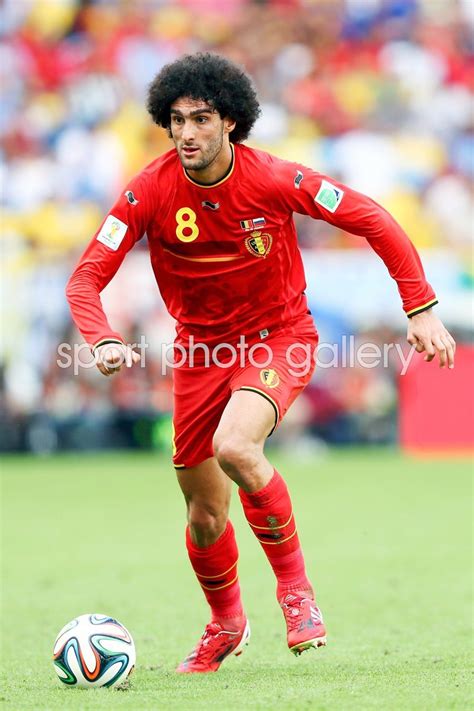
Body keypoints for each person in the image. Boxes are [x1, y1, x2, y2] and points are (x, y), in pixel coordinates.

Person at [66, 53, 456, 673]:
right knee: (203, 513)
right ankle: (226, 624)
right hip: (199, 351)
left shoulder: (274, 178)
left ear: (230, 123)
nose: (188, 133)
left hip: (280, 335)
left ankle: (296, 594)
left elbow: (373, 218)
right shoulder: (147, 191)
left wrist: (421, 308)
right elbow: (86, 278)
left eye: (202, 118)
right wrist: (101, 336)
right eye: (177, 120)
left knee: (237, 448)